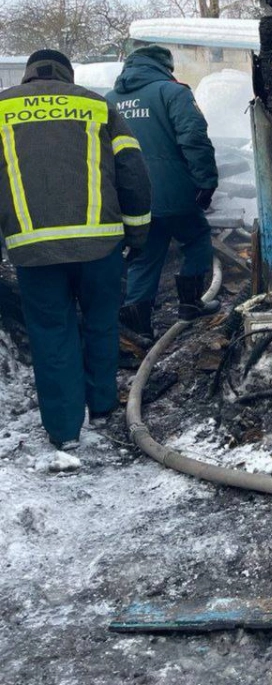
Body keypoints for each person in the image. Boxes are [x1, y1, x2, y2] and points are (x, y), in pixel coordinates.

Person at [0, 49, 152, 451]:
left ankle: (65, 430)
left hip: (33, 249)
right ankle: (102, 406)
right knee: (101, 322)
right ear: (67, 74)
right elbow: (133, 172)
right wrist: (136, 235)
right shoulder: (96, 105)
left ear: (29, 75)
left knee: (52, 334)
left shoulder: (2, 109)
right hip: (100, 244)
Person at [107, 45, 220, 340]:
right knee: (196, 238)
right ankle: (190, 304)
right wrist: (206, 181)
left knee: (145, 252)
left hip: (130, 197)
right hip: (174, 191)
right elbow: (194, 137)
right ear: (164, 66)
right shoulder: (172, 92)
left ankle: (137, 321)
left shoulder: (109, 100)